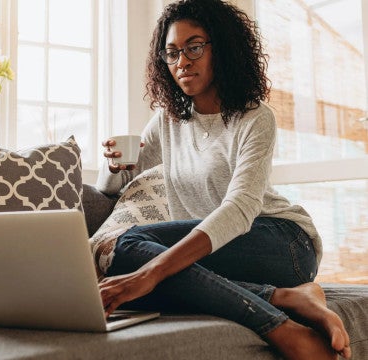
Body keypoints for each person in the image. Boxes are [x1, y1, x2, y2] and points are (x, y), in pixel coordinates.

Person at [94, 1, 351, 359]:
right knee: (117, 262)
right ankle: (285, 298)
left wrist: (151, 272)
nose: (182, 62)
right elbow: (113, 187)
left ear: (224, 47)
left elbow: (241, 208)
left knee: (136, 248)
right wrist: (112, 166)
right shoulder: (169, 120)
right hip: (220, 253)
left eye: (194, 47)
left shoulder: (255, 118)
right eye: (171, 53)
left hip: (282, 243)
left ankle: (279, 327)